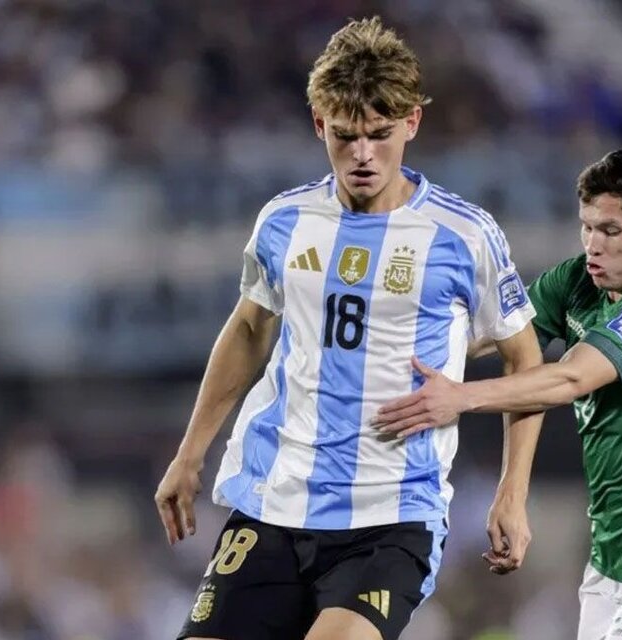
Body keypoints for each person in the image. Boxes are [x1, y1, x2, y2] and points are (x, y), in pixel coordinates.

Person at [154, 16, 543, 640]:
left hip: (391, 517)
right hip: (276, 502)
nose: (363, 154)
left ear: (412, 123)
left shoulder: (464, 236)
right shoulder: (284, 221)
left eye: (381, 135)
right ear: (319, 125)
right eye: (345, 135)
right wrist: (189, 452)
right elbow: (250, 329)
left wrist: (511, 493)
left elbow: (526, 362)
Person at [375, 146, 622, 639]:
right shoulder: (576, 281)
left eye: (611, 231)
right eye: (587, 226)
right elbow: (496, 337)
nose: (594, 244)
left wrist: (460, 397)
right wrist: (385, 341)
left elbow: (568, 379)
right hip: (613, 558)